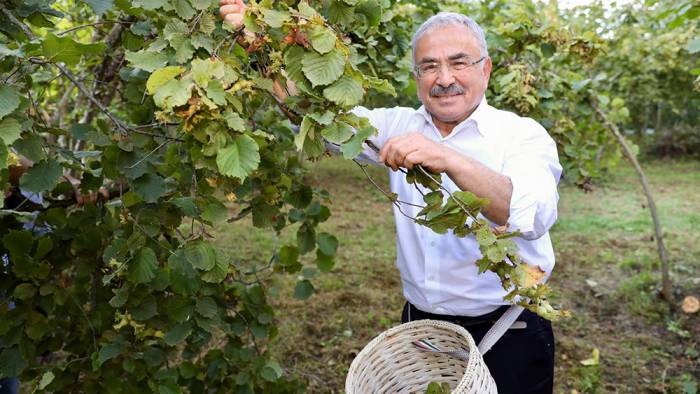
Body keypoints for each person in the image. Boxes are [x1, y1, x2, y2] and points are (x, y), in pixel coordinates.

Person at [220, 3, 562, 393]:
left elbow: (533, 215)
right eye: (429, 66)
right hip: (420, 331)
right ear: (416, 76)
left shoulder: (522, 135)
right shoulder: (396, 125)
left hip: (508, 332)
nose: (444, 78)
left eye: (459, 62)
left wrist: (449, 158)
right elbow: (314, 115)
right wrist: (263, 43)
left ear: (485, 68)